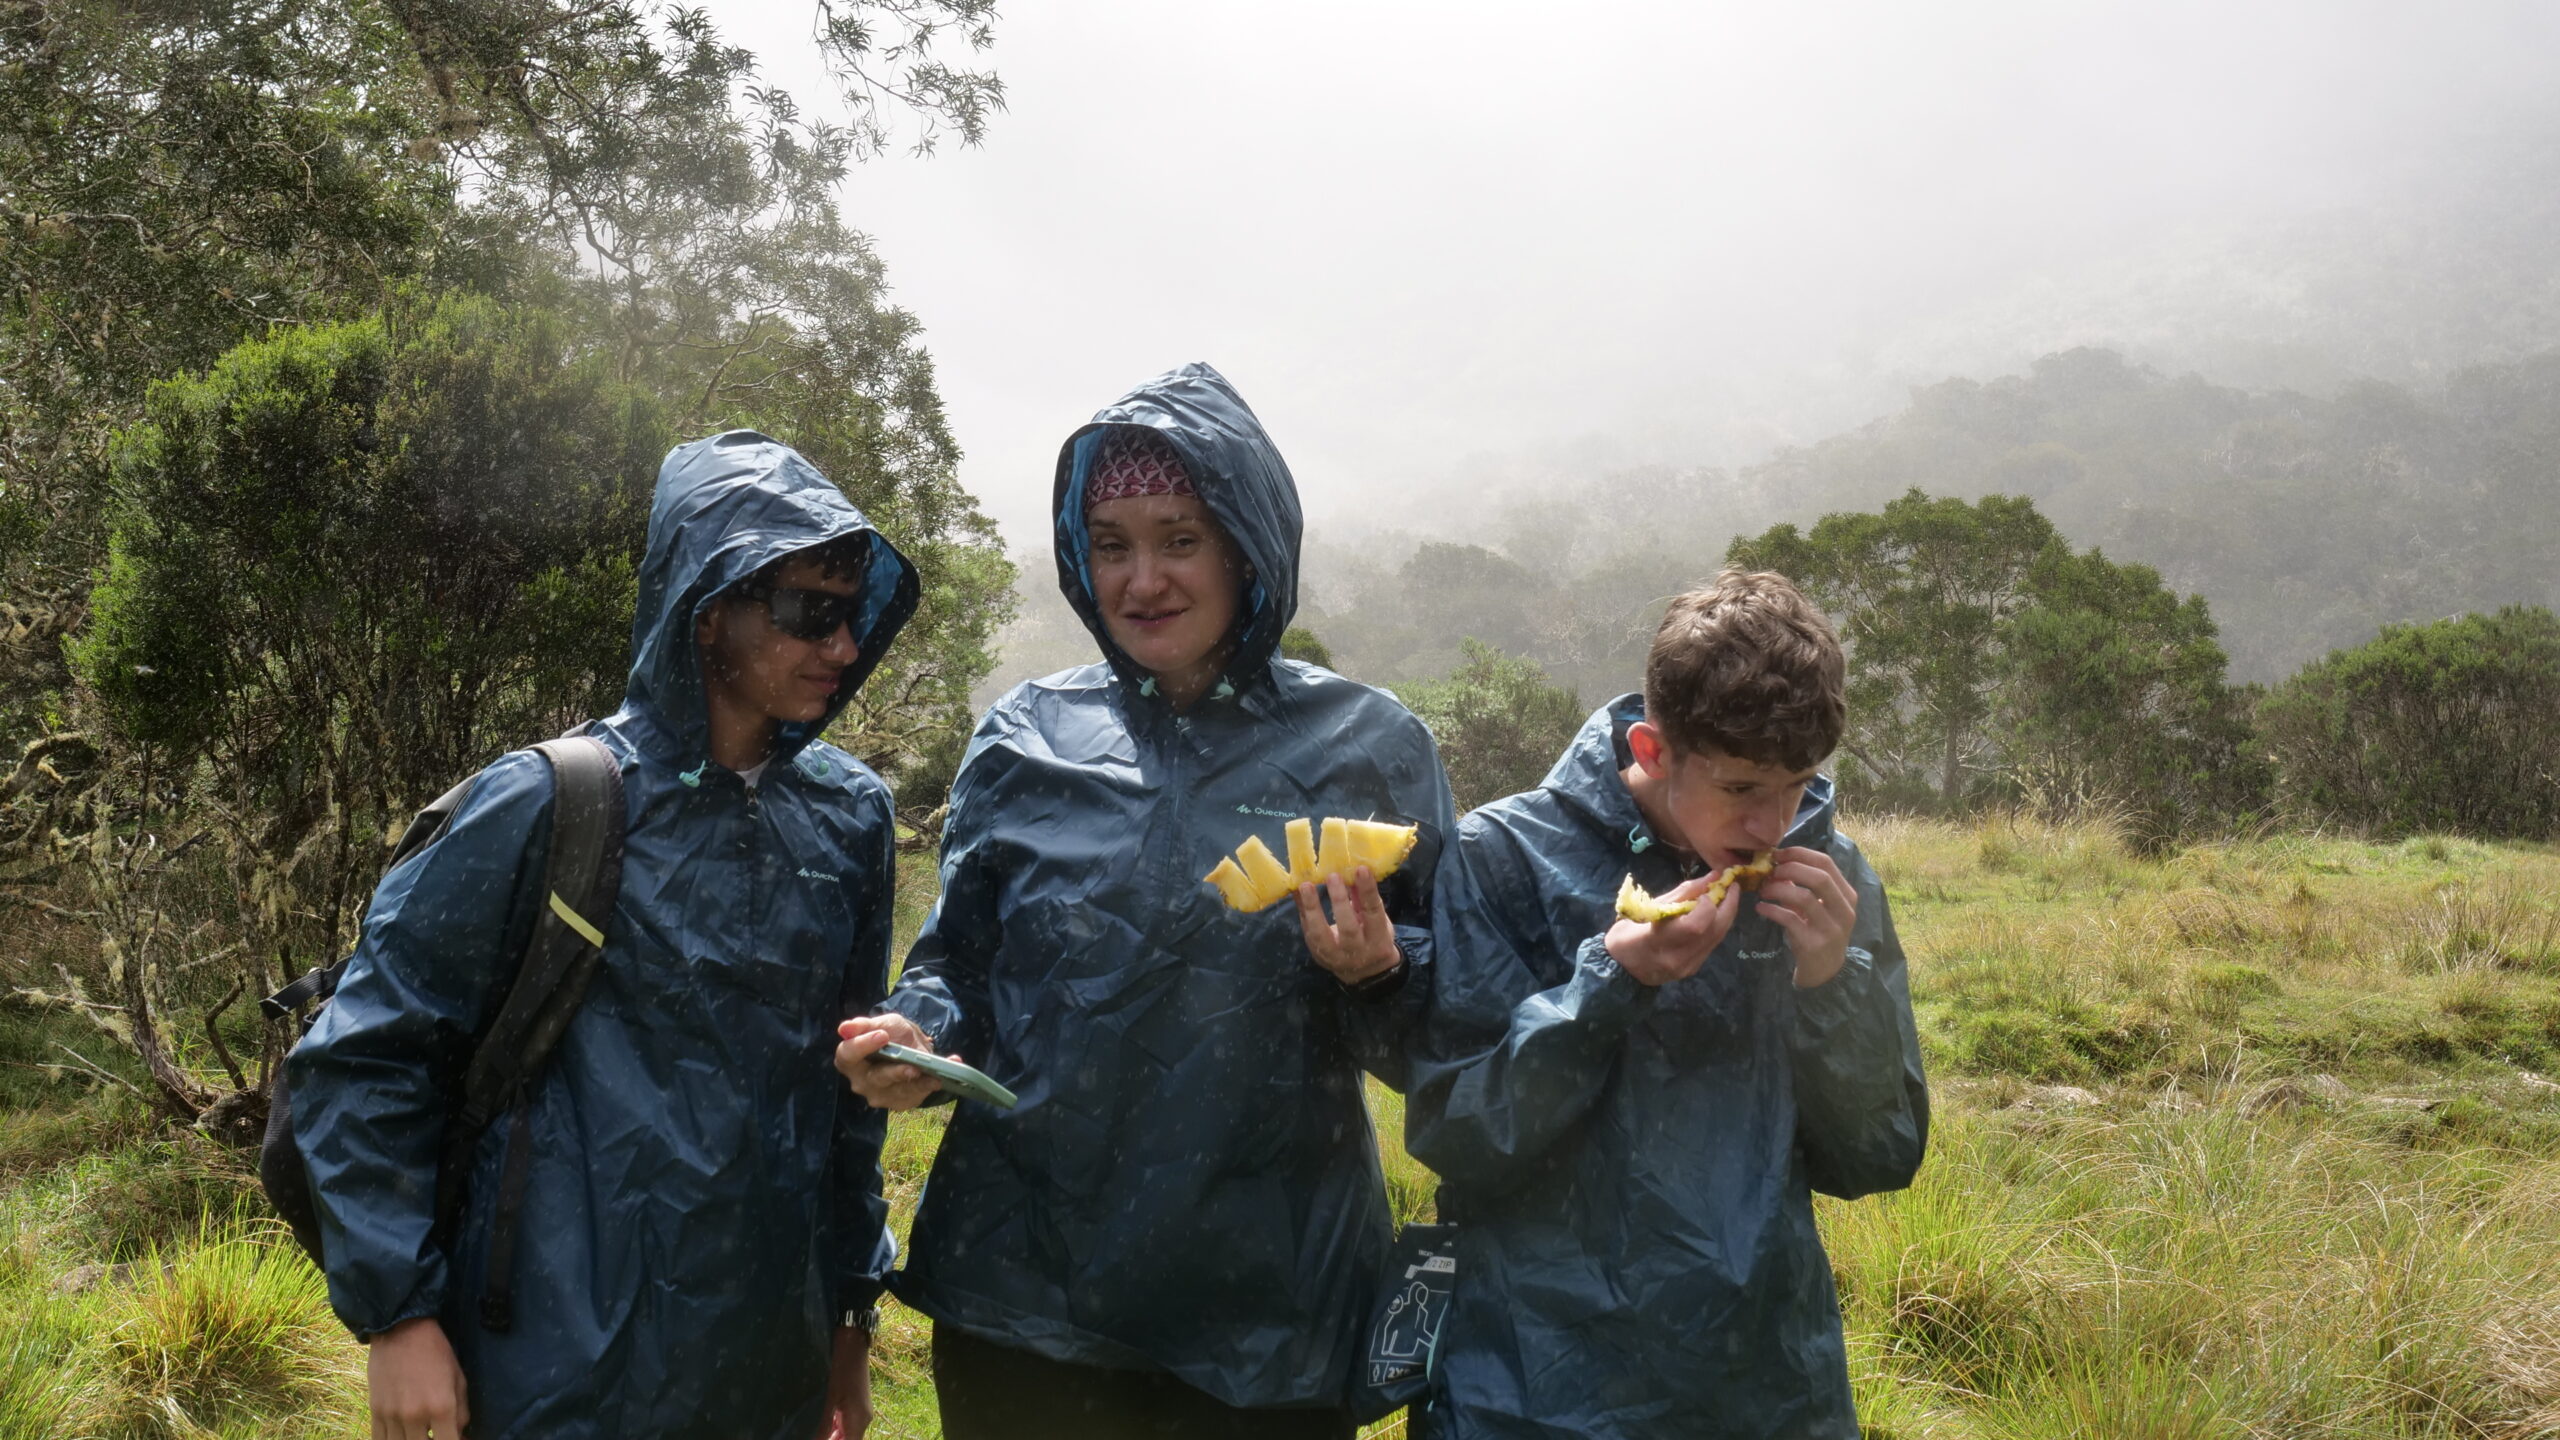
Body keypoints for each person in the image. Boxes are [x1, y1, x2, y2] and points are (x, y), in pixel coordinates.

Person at [835, 362, 1453, 1439]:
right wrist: (917, 1037)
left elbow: (1452, 1039)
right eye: (1111, 543)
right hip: (1023, 1300)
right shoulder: (1025, 736)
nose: (1143, 579)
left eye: (1180, 539)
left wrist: (1380, 972)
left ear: (1246, 545)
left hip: (1266, 1319)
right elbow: (958, 966)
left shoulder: (1369, 746)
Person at [287, 431, 920, 1440]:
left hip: (771, 1366)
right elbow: (365, 1056)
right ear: (710, 611)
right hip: (549, 1368)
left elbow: (847, 1115)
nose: (844, 649)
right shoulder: (549, 800)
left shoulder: (849, 818)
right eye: (812, 613)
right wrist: (397, 1317)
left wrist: (849, 1317)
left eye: (854, 616)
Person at [1406, 569, 1929, 1440]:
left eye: (1797, 783)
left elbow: (1879, 1157)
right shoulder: (1503, 856)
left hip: (1765, 1386)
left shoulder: (1829, 878)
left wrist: (1831, 984)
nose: (1772, 824)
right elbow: (1459, 1133)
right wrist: (1611, 985)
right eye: (1741, 789)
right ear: (1652, 751)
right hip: (1532, 1385)